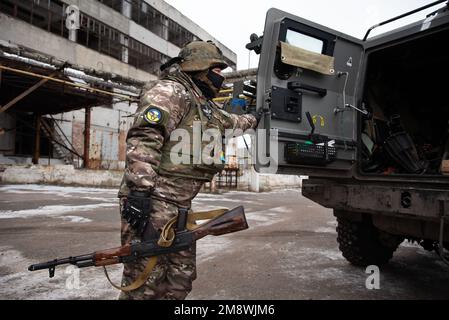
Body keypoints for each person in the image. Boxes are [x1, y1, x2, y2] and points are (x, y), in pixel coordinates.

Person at [117, 40, 260, 300]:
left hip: (181, 205)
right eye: (218, 73)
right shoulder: (172, 92)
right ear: (200, 68)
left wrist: (256, 115)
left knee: (180, 278)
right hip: (154, 201)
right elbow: (145, 137)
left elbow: (233, 122)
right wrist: (139, 192)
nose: (222, 80)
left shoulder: (204, 106)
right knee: (146, 280)